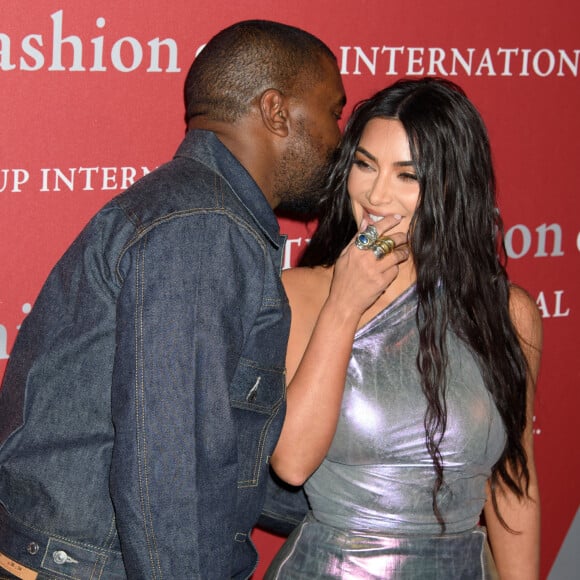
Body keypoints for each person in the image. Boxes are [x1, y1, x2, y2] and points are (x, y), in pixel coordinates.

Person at [0, 20, 350, 580]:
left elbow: (219, 455)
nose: (341, 139)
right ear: (277, 112)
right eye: (334, 112)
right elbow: (172, 479)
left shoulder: (200, 214)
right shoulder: (204, 227)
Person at [265, 78, 542, 579]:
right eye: (365, 165)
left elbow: (513, 484)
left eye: (406, 175)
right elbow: (292, 463)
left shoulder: (509, 314)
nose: (375, 193)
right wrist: (343, 305)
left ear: (452, 187)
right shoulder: (302, 294)